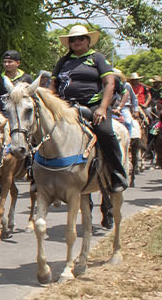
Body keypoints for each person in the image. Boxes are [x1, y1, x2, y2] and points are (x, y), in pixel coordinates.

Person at [51, 22, 128, 194]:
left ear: (87, 41)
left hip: (93, 105)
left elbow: (109, 83)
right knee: (45, 129)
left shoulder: (97, 58)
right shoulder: (63, 61)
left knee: (106, 132)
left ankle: (117, 173)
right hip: (67, 106)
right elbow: (53, 85)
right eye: (73, 40)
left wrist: (102, 108)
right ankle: (37, 174)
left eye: (80, 39)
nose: (76, 42)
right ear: (69, 43)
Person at [0, 49, 31, 116]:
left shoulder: (26, 78)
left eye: (10, 62)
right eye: (4, 62)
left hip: (22, 113)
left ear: (18, 63)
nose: (6, 64)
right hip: (4, 113)